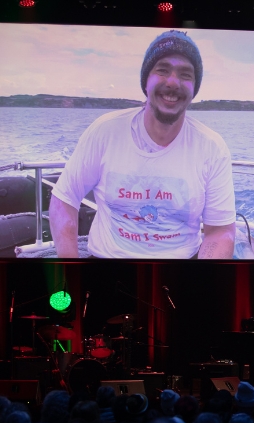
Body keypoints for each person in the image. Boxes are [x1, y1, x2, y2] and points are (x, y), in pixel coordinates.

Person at [49, 30, 236, 259]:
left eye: (186, 74)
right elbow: (64, 200)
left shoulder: (212, 148)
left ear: (194, 89)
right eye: (162, 70)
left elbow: (220, 232)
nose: (173, 82)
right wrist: (70, 270)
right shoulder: (105, 131)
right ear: (145, 81)